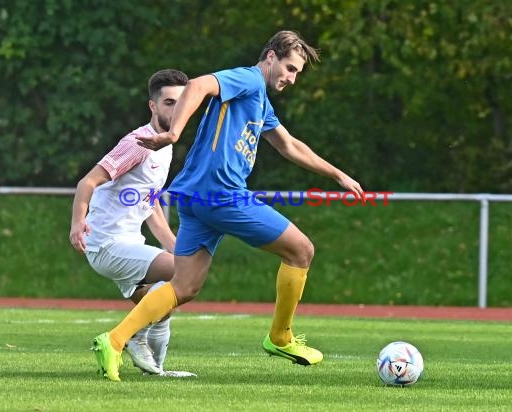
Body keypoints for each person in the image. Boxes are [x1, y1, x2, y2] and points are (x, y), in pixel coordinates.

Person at [92, 30, 364, 381]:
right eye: (290, 68)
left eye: (297, 72)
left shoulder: (260, 102)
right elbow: (199, 85)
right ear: (270, 57)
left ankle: (113, 341)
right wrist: (174, 132)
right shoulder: (248, 79)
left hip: (194, 196)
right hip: (220, 193)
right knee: (301, 251)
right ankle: (280, 337)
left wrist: (337, 174)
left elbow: (289, 145)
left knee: (184, 286)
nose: (292, 78)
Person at [69, 69, 195, 380]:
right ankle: (132, 335)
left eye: (180, 103)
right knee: (183, 275)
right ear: (153, 106)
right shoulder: (139, 143)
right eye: (168, 102)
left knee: (162, 301)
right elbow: (87, 182)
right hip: (106, 243)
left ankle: (156, 369)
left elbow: (149, 204)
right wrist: (77, 222)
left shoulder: (164, 145)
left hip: (129, 243)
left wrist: (174, 245)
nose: (174, 110)